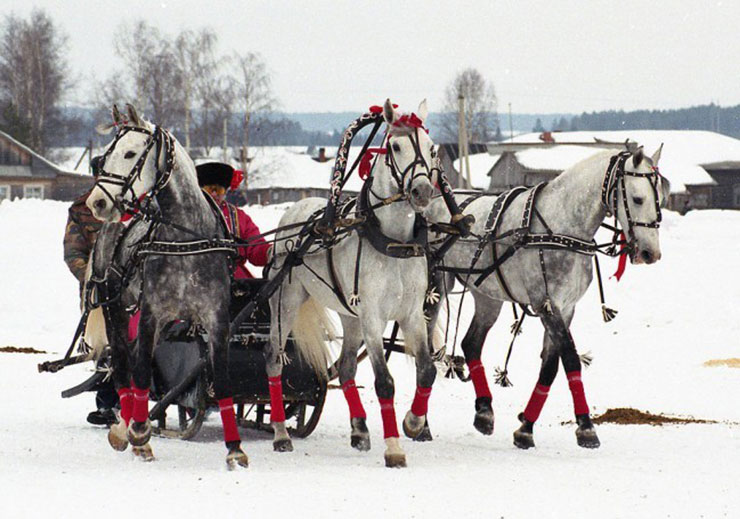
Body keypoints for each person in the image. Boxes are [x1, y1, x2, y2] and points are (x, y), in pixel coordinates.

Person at [63, 155, 119, 426]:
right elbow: (74, 251)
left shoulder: (138, 205)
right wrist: (91, 280)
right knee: (105, 347)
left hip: (139, 287)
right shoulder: (82, 209)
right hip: (100, 290)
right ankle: (108, 404)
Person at [195, 162, 272, 278]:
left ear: (225, 192)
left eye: (219, 190)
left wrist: (270, 252)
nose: (214, 194)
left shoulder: (239, 216)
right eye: (210, 189)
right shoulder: (189, 214)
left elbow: (255, 246)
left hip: (234, 280)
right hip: (195, 278)